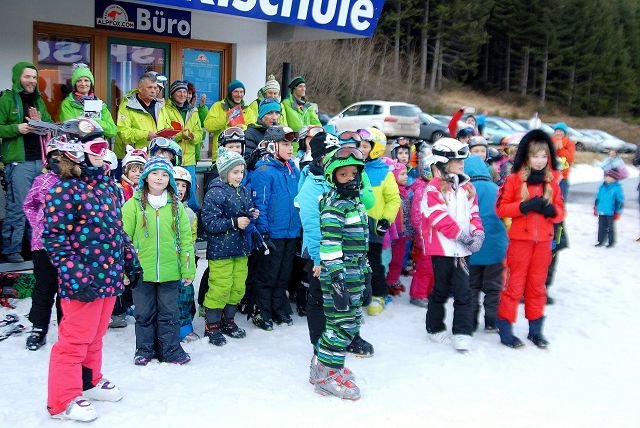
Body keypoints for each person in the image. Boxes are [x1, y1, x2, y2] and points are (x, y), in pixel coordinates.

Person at [42, 120, 141, 421]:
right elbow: (54, 239)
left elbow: (116, 229)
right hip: (82, 280)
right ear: (75, 152)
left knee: (96, 335)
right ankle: (63, 400)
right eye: (97, 147)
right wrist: (75, 276)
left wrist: (130, 258)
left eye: (105, 147)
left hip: (108, 275)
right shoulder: (64, 190)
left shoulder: (107, 186)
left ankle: (89, 380)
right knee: (74, 340)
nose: (104, 153)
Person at [296, 132, 375, 358]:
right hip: (320, 252)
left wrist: (360, 182)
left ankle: (351, 336)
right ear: (319, 159)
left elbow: (368, 203)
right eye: (329, 155)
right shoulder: (312, 187)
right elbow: (312, 226)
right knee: (320, 296)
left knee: (350, 296)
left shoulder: (346, 178)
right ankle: (320, 343)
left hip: (348, 252)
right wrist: (319, 259)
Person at [122, 156, 195, 366]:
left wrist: (187, 269)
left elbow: (185, 240)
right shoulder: (132, 205)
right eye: (154, 173)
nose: (159, 178)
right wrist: (124, 270)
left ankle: (170, 350)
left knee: (169, 313)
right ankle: (145, 349)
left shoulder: (176, 207)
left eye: (164, 174)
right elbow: (123, 239)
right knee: (144, 313)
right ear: (145, 177)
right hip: (141, 271)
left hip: (170, 271)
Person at [495, 129, 565, 349]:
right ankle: (505, 330)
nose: (540, 161)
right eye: (535, 156)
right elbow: (501, 208)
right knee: (514, 287)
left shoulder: (552, 183)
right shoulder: (514, 180)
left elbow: (561, 212)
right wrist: (524, 206)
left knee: (537, 287)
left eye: (544, 156)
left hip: (543, 243)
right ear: (527, 156)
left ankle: (535, 331)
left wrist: (552, 211)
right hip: (520, 242)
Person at [311, 146, 369, 400]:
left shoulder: (354, 202)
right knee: (342, 326)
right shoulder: (335, 206)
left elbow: (360, 243)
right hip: (341, 275)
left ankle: (323, 366)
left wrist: (366, 273)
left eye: (353, 174)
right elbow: (330, 244)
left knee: (344, 323)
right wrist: (337, 280)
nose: (350, 179)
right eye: (343, 175)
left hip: (355, 271)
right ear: (333, 178)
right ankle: (327, 377)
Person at [421, 138, 484, 353]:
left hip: (463, 251)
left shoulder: (468, 188)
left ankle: (462, 332)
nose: (461, 164)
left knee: (464, 291)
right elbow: (438, 217)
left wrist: (477, 233)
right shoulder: (433, 188)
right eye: (456, 160)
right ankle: (435, 327)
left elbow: (474, 214)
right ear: (443, 162)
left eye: (462, 160)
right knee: (440, 290)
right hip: (442, 250)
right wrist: (461, 235)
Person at [200, 147, 256, 345]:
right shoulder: (215, 192)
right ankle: (212, 324)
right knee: (220, 287)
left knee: (237, 286)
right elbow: (209, 222)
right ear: (224, 172)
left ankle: (228, 320)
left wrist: (251, 214)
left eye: (242, 172)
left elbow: (244, 211)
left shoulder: (244, 191)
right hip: (221, 250)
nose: (240, 176)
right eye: (235, 172)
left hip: (240, 248)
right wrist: (234, 222)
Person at [250, 125, 302, 330]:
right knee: (268, 274)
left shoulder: (292, 169)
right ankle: (262, 311)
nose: (290, 148)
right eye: (285, 144)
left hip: (291, 231)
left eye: (291, 145)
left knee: (284, 273)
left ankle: (279, 307)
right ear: (272, 146)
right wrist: (263, 231)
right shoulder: (263, 171)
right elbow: (260, 204)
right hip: (273, 232)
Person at [0, 61, 52, 263]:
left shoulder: (39, 100)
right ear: (18, 78)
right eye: (27, 76)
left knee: (39, 206)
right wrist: (17, 128)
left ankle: (35, 247)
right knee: (19, 207)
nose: (31, 80)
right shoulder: (6, 99)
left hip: (40, 161)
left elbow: (49, 125)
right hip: (18, 162)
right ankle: (11, 249)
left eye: (34, 77)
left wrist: (41, 123)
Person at [355, 128, 400, 316]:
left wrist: (385, 220)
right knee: (354, 263)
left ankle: (378, 294)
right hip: (353, 226)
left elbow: (394, 199)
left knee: (374, 263)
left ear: (376, 149)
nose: (361, 149)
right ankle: (357, 294)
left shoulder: (384, 173)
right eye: (359, 145)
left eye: (365, 146)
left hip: (373, 227)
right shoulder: (352, 167)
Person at [23, 140, 62, 351]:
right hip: (43, 244)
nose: (58, 161)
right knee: (44, 288)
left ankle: (66, 328)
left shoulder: (75, 182)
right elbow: (29, 205)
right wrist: (38, 224)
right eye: (54, 157)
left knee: (66, 289)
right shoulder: (42, 180)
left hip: (67, 244)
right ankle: (38, 327)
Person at [463, 155, 508, 332]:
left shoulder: (465, 190)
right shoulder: (497, 189)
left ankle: (471, 320)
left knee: (471, 285)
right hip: (496, 247)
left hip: (472, 246)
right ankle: (491, 321)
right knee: (494, 286)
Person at [159, 80, 204, 210]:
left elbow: (200, 133)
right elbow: (163, 132)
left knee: (190, 194)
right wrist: (180, 135)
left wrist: (193, 137)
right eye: (179, 91)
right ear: (172, 94)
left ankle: (191, 220)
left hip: (189, 160)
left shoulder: (193, 111)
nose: (182, 94)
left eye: (185, 92)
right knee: (172, 191)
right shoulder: (165, 110)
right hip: (172, 159)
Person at [173, 166, 199, 342]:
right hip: (167, 262)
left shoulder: (190, 213)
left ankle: (184, 326)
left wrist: (191, 259)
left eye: (184, 186)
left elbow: (192, 238)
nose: (180, 189)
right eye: (177, 184)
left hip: (185, 262)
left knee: (185, 295)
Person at [115, 72, 164, 158]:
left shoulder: (160, 105)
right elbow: (123, 132)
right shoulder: (127, 105)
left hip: (156, 156)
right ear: (140, 88)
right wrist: (145, 135)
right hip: (134, 157)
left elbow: (165, 126)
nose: (153, 91)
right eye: (150, 87)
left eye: (155, 87)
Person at [59, 64, 116, 139]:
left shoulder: (100, 104)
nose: (83, 84)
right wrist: (90, 123)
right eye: (79, 81)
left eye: (86, 80)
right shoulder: (67, 103)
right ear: (75, 84)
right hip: (76, 144)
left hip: (96, 144)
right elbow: (68, 128)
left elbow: (112, 131)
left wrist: (93, 121)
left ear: (91, 83)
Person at [204, 79, 256, 161]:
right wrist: (225, 119)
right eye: (236, 92)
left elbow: (252, 129)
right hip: (220, 155)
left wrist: (242, 128)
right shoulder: (218, 106)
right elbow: (208, 126)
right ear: (230, 93)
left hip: (240, 154)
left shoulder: (248, 110)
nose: (239, 95)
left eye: (241, 92)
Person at [385, 160, 413, 296]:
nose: (406, 177)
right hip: (393, 234)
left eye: (406, 174)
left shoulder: (406, 192)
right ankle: (388, 281)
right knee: (391, 258)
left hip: (403, 233)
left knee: (399, 258)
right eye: (402, 174)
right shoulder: (392, 192)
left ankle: (394, 280)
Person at [594, 168, 625, 248]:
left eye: (610, 176)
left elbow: (620, 202)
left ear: (614, 179)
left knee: (610, 228)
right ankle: (601, 241)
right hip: (602, 210)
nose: (607, 178)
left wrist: (618, 212)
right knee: (601, 227)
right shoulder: (602, 187)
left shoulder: (617, 188)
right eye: (606, 176)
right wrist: (595, 207)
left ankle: (611, 242)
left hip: (611, 212)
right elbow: (598, 198)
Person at [551, 122, 575, 201]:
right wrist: (554, 149)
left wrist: (561, 149)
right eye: (557, 130)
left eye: (561, 131)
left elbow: (570, 159)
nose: (558, 133)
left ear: (565, 132)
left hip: (563, 177)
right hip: (550, 176)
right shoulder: (549, 141)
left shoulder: (569, 143)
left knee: (561, 200)